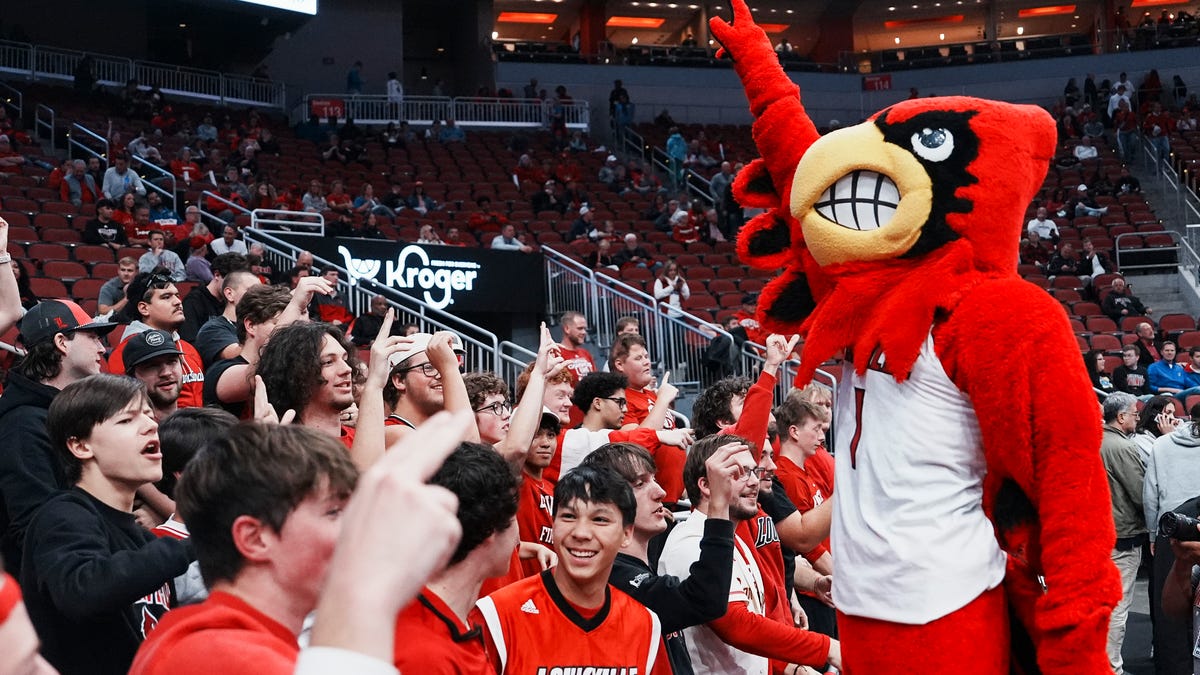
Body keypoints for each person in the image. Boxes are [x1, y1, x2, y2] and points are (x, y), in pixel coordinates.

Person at [130, 412, 473, 675]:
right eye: (335, 511)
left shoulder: (232, 640)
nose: (355, 527)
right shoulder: (215, 653)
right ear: (255, 538)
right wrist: (367, 592)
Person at [20, 375, 194, 675]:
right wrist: (196, 544)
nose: (152, 425)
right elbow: (84, 590)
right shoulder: (63, 516)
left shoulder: (144, 541)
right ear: (80, 445)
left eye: (150, 416)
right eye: (127, 420)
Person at [658, 435, 839, 674]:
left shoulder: (734, 539)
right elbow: (737, 625)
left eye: (754, 472)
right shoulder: (691, 542)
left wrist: (791, 668)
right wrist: (827, 648)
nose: (754, 481)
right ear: (706, 485)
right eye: (741, 473)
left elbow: (755, 632)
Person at [475, 465, 672, 674]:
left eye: (600, 520)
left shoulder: (645, 625)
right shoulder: (496, 615)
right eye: (569, 516)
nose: (581, 533)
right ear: (553, 524)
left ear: (626, 534)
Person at [585, 441, 740, 674]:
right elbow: (707, 599)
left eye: (654, 479)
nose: (661, 493)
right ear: (604, 504)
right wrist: (718, 506)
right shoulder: (610, 577)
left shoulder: (639, 567)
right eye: (639, 484)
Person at [0, 301, 115, 577]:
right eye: (93, 338)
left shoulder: (65, 412)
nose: (102, 348)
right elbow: (35, 528)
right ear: (62, 342)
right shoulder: (22, 425)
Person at [392, 442, 518, 673]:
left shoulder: (445, 624)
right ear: (491, 529)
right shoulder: (424, 654)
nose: (518, 538)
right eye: (514, 516)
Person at [1144, 404, 1200, 675]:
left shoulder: (1162, 444)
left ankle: (1170, 666)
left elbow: (1150, 495)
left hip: (1172, 526)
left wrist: (1154, 534)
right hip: (1188, 527)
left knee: (1171, 613)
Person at [1098, 392, 1148, 675]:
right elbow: (1141, 494)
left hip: (1099, 534)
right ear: (1120, 417)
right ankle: (1111, 668)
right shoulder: (1121, 447)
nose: (1137, 418)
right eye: (1134, 414)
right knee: (1117, 607)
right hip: (1123, 537)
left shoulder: (1096, 440)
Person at [107, 272, 205, 409]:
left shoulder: (188, 348)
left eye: (177, 295)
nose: (178, 302)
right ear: (144, 308)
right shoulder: (125, 352)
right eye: (166, 297)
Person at [382, 331, 473, 446]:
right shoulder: (394, 432)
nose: (442, 375)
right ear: (399, 381)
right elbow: (470, 455)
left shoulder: (435, 432)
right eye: (429, 367)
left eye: (442, 366)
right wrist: (450, 369)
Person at [191, 265, 259, 366]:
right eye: (253, 290)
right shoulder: (212, 329)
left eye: (262, 291)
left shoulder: (258, 325)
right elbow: (238, 356)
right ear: (229, 294)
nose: (261, 295)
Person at [124, 329, 185, 419]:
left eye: (171, 362)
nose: (166, 373)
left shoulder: (198, 425)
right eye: (152, 366)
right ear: (132, 377)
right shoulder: (131, 430)